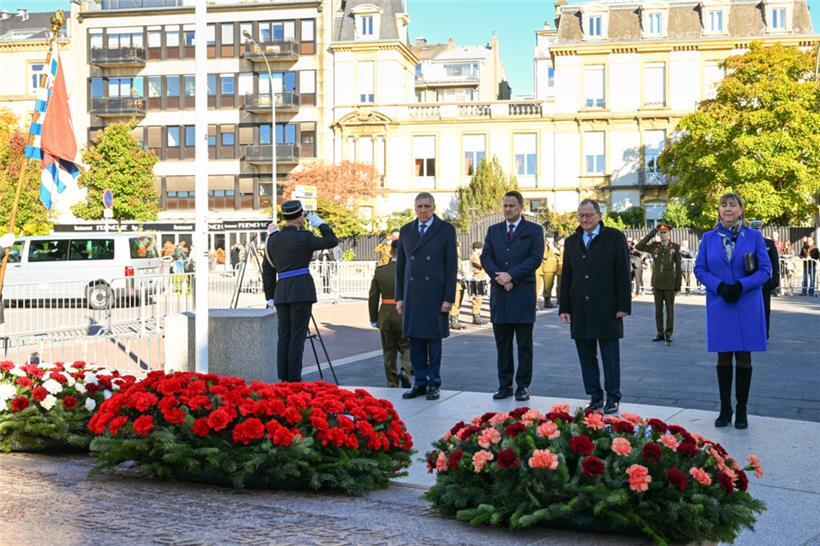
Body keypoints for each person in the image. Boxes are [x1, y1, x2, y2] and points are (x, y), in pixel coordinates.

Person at [694, 193, 771, 430]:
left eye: (733, 204)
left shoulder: (755, 237)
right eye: (723, 205)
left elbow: (766, 270)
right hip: (721, 303)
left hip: (747, 303)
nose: (728, 208)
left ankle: (742, 409)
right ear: (718, 210)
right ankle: (725, 408)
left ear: (741, 209)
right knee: (724, 356)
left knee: (745, 356)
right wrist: (719, 286)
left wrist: (741, 285)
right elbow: (700, 269)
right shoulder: (708, 238)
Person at [559, 199, 631, 415]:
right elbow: (567, 276)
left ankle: (613, 396)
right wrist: (565, 307)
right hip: (579, 307)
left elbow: (622, 273)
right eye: (581, 215)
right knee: (585, 355)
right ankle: (595, 395)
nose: (584, 219)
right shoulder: (572, 241)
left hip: (607, 307)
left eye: (589, 215)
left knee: (610, 355)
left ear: (599, 215)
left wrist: (623, 305)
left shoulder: (614, 238)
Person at [262, 200, 339, 382]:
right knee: (297, 337)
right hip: (301, 291)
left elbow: (268, 270)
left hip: (281, 292)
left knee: (284, 336)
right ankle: (294, 379)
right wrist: (321, 224)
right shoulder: (304, 236)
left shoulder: (272, 240)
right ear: (300, 217)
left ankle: (283, 378)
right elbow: (332, 241)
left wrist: (270, 296)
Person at [481, 191, 545, 401]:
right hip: (501, 294)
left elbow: (535, 258)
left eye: (512, 206)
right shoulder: (493, 230)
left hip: (522, 294)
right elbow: (486, 257)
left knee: (524, 345)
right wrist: (500, 277)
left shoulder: (534, 231)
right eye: (505, 206)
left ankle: (523, 386)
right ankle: (504, 385)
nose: (508, 209)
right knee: (503, 344)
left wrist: (512, 276)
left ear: (521, 207)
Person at [396, 192, 457, 401]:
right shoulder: (406, 230)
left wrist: (449, 298)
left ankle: (434, 383)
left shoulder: (446, 230)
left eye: (427, 206)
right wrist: (399, 298)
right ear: (415, 208)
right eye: (420, 206)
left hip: (436, 294)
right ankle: (419, 383)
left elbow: (451, 266)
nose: (423, 210)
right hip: (413, 294)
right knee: (415, 342)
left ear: (434, 208)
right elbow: (401, 267)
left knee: (433, 342)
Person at [368, 240, 412, 388]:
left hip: (385, 315)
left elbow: (373, 296)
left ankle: (391, 381)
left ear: (391, 252)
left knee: (388, 350)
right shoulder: (410, 271)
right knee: (407, 347)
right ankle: (405, 370)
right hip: (405, 314)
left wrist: (373, 318)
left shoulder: (380, 271)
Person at [635, 223, 682, 345]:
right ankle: (660, 333)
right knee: (658, 310)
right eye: (660, 232)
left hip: (669, 283)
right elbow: (639, 246)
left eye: (664, 232)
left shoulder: (675, 247)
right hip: (657, 282)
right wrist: (651, 234)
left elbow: (678, 267)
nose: (662, 235)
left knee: (670, 310)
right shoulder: (654, 246)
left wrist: (678, 284)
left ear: (669, 233)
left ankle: (668, 333)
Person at [750, 220, 779, 338]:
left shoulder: (769, 243)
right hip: (750, 281)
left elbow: (775, 263)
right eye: (754, 229)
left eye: (758, 229)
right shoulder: (746, 243)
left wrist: (775, 280)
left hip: (764, 281)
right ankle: (752, 332)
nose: (756, 231)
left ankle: (764, 333)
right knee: (751, 309)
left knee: (765, 309)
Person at [536, 237, 560, 309]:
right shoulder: (542, 245)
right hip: (541, 268)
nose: (550, 241)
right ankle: (534, 303)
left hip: (550, 268)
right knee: (536, 286)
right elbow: (543, 255)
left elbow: (559, 255)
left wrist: (552, 248)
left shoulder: (554, 247)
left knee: (548, 286)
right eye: (548, 240)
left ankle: (547, 301)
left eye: (551, 240)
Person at [468, 241, 488, 325]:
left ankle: (478, 315)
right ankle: (476, 317)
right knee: (477, 298)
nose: (481, 250)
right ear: (476, 249)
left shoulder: (478, 256)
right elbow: (481, 265)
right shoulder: (474, 257)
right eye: (480, 248)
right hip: (476, 279)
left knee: (480, 298)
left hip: (480, 278)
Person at [449, 246, 466, 330]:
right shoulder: (451, 258)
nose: (459, 250)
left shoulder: (458, 259)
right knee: (455, 302)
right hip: (455, 282)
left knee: (459, 302)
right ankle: (453, 320)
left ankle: (456, 319)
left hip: (460, 282)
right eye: (457, 247)